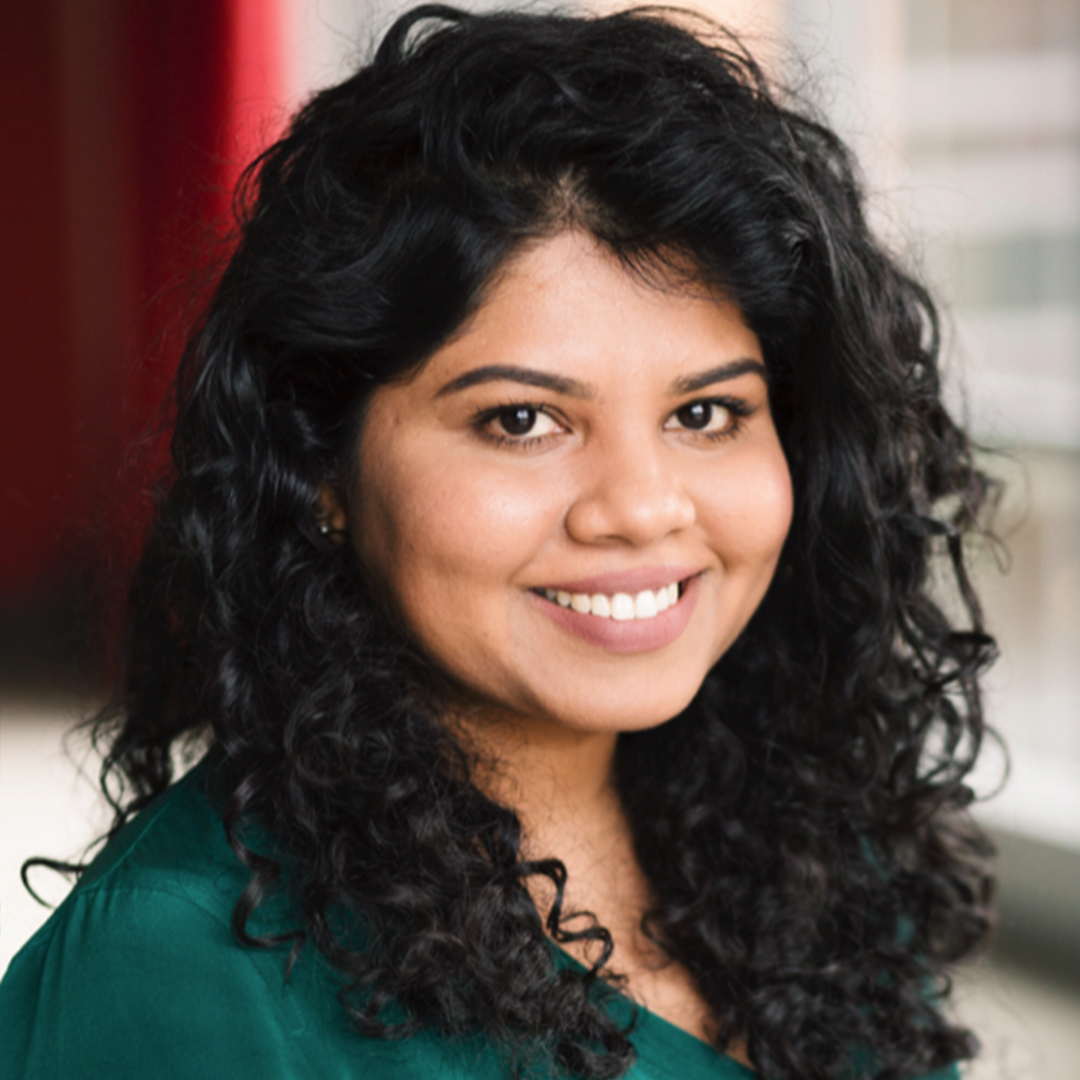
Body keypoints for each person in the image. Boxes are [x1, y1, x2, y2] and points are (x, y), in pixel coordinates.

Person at [0, 6, 998, 1079]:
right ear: (319, 468)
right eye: (522, 420)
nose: (641, 507)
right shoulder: (174, 972)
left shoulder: (809, 853)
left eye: (706, 414)